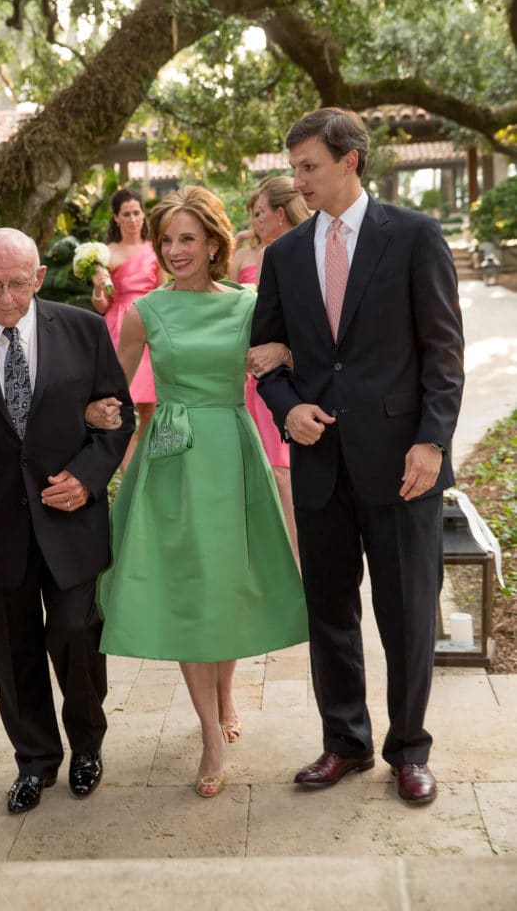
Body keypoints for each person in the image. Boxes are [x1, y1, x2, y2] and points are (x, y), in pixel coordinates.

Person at [251, 108, 464, 805]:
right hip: (321, 467)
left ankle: (409, 750)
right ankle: (345, 741)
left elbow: (443, 353)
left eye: (308, 166)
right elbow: (266, 358)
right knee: (330, 612)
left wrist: (432, 441)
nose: (298, 181)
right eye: (293, 169)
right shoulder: (284, 256)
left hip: (405, 464)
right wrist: (288, 407)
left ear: (350, 161)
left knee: (405, 613)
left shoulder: (414, 236)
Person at [95, 186, 308, 798]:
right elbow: (108, 384)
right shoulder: (147, 312)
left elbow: (291, 355)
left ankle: (227, 694)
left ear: (214, 243)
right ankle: (211, 736)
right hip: (173, 456)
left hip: (234, 452)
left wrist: (288, 349)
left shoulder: (249, 303)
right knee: (191, 586)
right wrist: (89, 435)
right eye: (167, 240)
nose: (175, 250)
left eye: (188, 238)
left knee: (229, 581)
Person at [0, 227, 134, 815]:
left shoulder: (83, 330)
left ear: (37, 278)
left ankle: (87, 746)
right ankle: (34, 762)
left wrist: (87, 477)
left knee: (76, 636)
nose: (6, 298)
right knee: (13, 655)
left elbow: (118, 415)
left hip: (72, 522)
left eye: (16, 284)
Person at [232, 175, 311, 561]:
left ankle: (299, 565)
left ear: (281, 214)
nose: (255, 220)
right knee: (268, 474)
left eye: (260, 212)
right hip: (255, 375)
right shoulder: (249, 255)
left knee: (283, 473)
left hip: (296, 375)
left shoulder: (299, 251)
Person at [90, 188, 167, 470]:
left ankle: (143, 464)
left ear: (143, 214)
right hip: (118, 326)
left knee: (151, 404)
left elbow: (163, 290)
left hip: (150, 324)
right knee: (123, 401)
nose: (133, 218)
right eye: (127, 214)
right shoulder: (107, 253)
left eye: (137, 212)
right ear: (116, 218)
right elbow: (101, 305)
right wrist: (99, 287)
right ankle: (126, 470)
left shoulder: (156, 249)